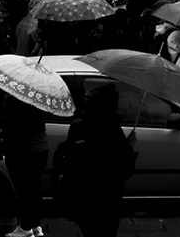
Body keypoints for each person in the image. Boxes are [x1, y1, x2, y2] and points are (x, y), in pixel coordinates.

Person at [54, 84, 135, 237]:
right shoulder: (112, 132)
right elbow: (124, 170)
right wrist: (129, 146)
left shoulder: (77, 126)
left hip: (82, 198)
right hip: (105, 201)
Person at [0, 90, 49, 237]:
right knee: (33, 189)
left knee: (24, 191)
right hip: (40, 147)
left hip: (22, 151)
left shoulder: (16, 100)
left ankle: (25, 228)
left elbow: (11, 127)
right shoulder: (40, 96)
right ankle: (34, 225)